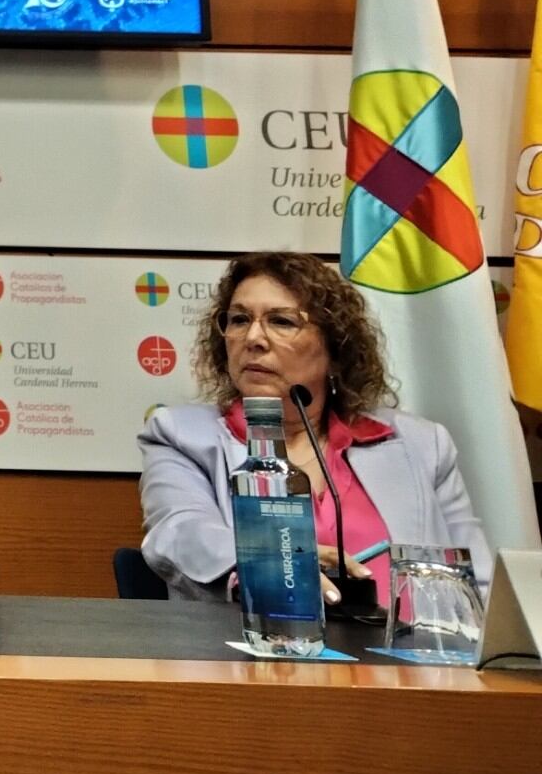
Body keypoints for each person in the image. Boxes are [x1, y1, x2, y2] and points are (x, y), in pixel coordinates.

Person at [139, 251, 490, 601]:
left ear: (335, 348)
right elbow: (179, 533)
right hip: (254, 636)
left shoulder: (422, 444)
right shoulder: (182, 436)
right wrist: (266, 563)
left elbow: (480, 582)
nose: (253, 338)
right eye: (239, 319)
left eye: (282, 322)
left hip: (409, 637)